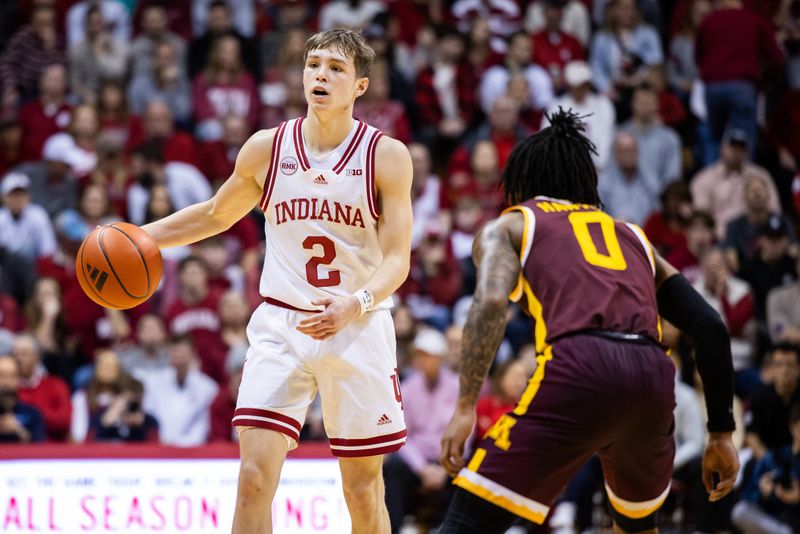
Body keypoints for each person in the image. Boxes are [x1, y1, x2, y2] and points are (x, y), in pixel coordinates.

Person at [139, 29, 413, 533]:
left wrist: (356, 303)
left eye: (335, 68)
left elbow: (398, 260)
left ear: (360, 86)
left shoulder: (387, 155)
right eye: (313, 65)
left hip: (357, 325)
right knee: (252, 477)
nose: (320, 76)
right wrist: (139, 237)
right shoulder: (267, 147)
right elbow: (217, 214)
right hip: (281, 323)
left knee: (362, 490)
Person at [437, 110, 738, 533]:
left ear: (521, 185)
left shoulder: (513, 224)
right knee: (636, 526)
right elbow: (710, 325)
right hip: (652, 375)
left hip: (580, 362)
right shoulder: (635, 236)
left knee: (469, 519)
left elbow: (488, 301)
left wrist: (466, 405)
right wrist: (721, 433)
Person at [384, 328, 460, 532]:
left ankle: (451, 528)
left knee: (470, 471)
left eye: (428, 356)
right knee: (392, 467)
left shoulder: (456, 387)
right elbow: (402, 435)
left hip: (448, 458)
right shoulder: (407, 388)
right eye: (419, 355)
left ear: (440, 358)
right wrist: (422, 468)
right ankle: (395, 527)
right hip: (418, 460)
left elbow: (464, 435)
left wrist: (446, 467)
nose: (422, 361)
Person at [0, 356, 45, 443]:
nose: (6, 383)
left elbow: (41, 449)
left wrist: (19, 431)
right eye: (1, 376)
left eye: (12, 376)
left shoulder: (32, 413)